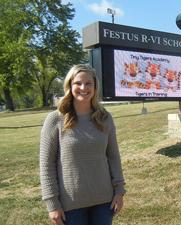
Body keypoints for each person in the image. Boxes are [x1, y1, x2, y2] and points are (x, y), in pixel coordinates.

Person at [40, 64, 126, 225]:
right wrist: (52, 203)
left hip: (103, 202)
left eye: (88, 83)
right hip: (71, 206)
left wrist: (119, 191)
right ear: (69, 86)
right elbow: (47, 165)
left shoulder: (104, 117)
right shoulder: (55, 119)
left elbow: (113, 156)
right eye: (78, 83)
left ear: (95, 87)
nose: (83, 88)